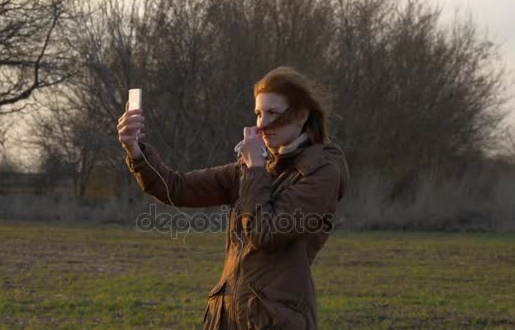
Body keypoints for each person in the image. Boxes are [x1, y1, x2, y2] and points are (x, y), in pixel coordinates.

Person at [117, 66, 349, 329]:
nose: (261, 123)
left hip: (276, 322)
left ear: (301, 116)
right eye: (258, 114)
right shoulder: (253, 167)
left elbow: (265, 233)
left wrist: (255, 170)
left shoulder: (320, 172)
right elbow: (176, 188)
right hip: (227, 319)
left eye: (273, 113)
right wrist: (134, 149)